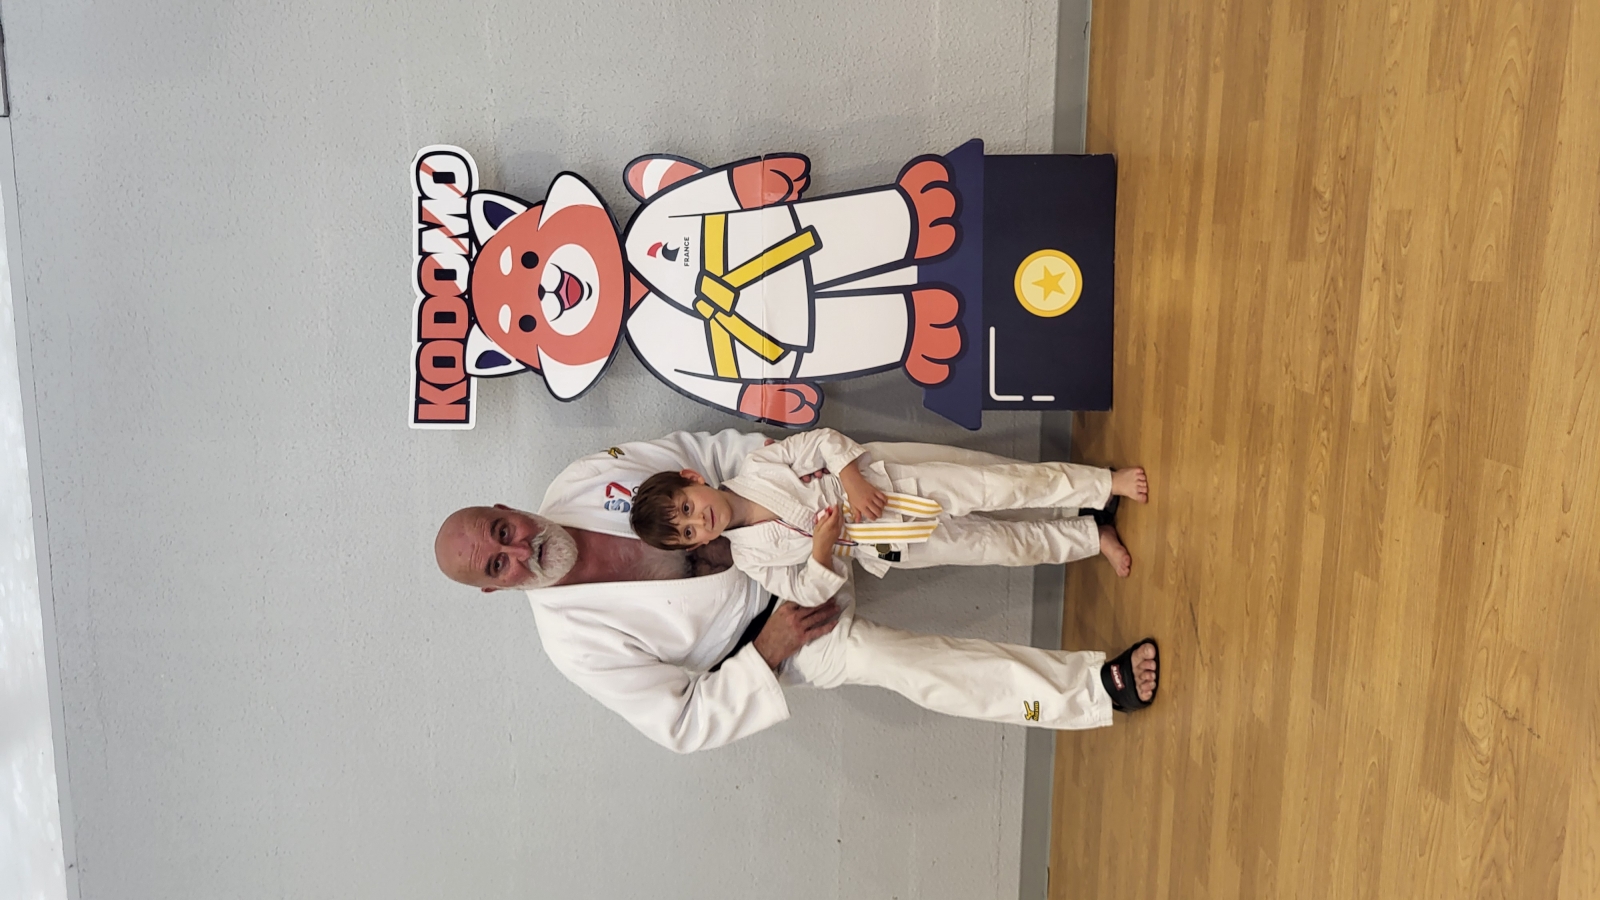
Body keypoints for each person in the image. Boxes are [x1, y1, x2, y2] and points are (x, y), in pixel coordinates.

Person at [433, 429, 1158, 754]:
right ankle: (1095, 691)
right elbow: (680, 723)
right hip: (781, 633)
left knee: (947, 490)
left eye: (502, 530)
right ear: (496, 590)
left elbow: (698, 456)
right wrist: (767, 653)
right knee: (916, 668)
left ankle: (1085, 509)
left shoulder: (581, 481)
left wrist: (782, 474)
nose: (518, 549)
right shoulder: (572, 644)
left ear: (507, 507)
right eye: (497, 565)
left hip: (788, 512)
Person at [625, 426, 1147, 608]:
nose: (700, 522)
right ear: (695, 546)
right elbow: (805, 591)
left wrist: (851, 479)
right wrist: (821, 550)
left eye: (688, 508)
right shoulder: (751, 558)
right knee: (997, 547)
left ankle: (1103, 484)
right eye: (689, 533)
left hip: (889, 486)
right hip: (888, 544)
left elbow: (821, 442)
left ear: (692, 478)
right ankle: (1089, 536)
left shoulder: (757, 467)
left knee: (1003, 485)